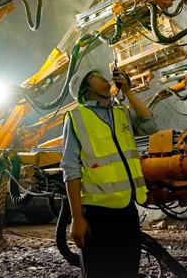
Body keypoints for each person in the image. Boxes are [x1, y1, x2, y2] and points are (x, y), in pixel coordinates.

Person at [60, 67, 158, 277]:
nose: (101, 76)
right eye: (93, 77)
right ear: (86, 90)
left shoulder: (121, 112)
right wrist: (77, 218)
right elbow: (70, 170)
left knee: (127, 271)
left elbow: (150, 126)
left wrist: (128, 92)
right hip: (97, 213)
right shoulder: (76, 117)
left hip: (127, 209)